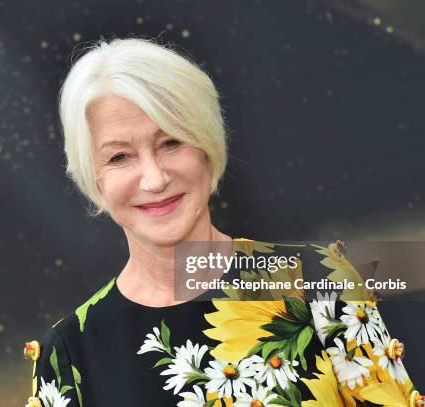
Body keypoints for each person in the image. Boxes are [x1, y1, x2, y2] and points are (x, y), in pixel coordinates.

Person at [23, 37, 421, 407]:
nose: (154, 178)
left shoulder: (318, 281)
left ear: (208, 147)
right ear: (95, 178)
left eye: (171, 142)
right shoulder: (70, 352)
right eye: (119, 157)